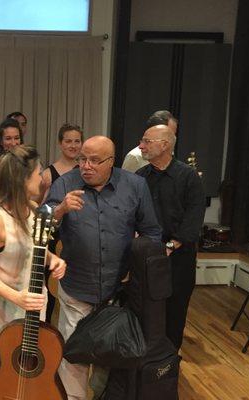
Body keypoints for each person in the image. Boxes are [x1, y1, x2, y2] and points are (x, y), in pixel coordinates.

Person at [45, 135, 161, 400]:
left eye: (95, 161)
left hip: (116, 292)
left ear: (111, 161)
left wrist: (138, 269)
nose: (86, 165)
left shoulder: (134, 186)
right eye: (82, 159)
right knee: (73, 354)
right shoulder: (65, 183)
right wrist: (60, 210)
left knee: (110, 356)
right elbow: (41, 226)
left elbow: (151, 233)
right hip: (76, 288)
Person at [0, 145, 66, 373]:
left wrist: (53, 259)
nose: (43, 178)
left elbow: (32, 249)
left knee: (30, 373)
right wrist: (17, 297)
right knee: (5, 374)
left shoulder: (33, 210)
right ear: (22, 179)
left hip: (32, 308)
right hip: (2, 313)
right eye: (38, 172)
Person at [136, 125, 205, 350]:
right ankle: (143, 363)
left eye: (147, 141)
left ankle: (167, 366)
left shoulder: (189, 177)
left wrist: (168, 246)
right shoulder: (139, 177)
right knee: (144, 310)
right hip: (146, 256)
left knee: (174, 314)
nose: (141, 146)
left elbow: (193, 220)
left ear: (164, 145)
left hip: (178, 259)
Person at [39, 123, 84, 203]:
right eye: (68, 141)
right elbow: (42, 207)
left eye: (77, 141)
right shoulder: (48, 174)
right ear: (60, 143)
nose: (73, 146)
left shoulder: (85, 169)